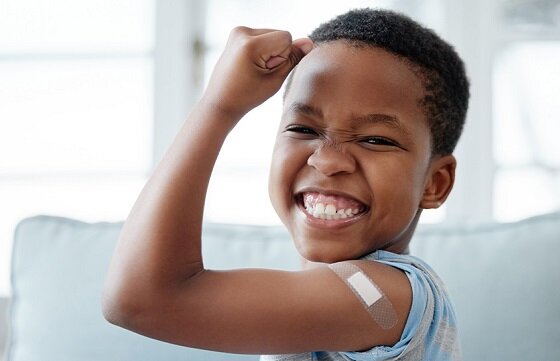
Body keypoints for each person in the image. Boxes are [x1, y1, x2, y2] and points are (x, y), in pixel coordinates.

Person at [102, 8, 469, 361]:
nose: (326, 160)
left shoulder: (386, 298)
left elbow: (142, 300)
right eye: (303, 129)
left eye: (375, 140)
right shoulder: (340, 300)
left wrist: (219, 106)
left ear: (434, 183)